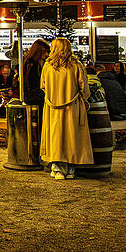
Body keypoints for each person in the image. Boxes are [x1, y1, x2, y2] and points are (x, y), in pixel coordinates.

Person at [39, 38, 93, 180]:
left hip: (52, 108)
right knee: (71, 136)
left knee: (55, 137)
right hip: (72, 107)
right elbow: (85, 88)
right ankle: (70, 168)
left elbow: (43, 86)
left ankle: (57, 168)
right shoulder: (76, 65)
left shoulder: (47, 66)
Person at [15, 39, 50, 118]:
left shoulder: (37, 62)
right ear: (39, 51)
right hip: (34, 97)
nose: (46, 54)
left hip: (37, 95)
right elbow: (31, 84)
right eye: (45, 51)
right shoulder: (32, 64)